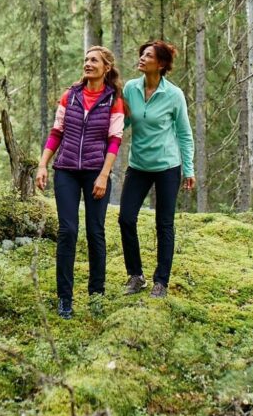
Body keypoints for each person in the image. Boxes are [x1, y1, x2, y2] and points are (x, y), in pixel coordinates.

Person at [36, 46, 126, 319]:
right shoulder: (70, 96)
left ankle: (96, 295)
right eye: (86, 59)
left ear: (106, 67)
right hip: (66, 170)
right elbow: (56, 132)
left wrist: (103, 174)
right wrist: (43, 164)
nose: (88, 64)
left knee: (95, 232)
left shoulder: (114, 100)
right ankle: (65, 298)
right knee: (67, 231)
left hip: (96, 172)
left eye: (94, 60)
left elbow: (115, 140)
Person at [118, 40, 195, 299]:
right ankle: (136, 275)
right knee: (126, 218)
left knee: (164, 224)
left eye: (147, 55)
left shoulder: (174, 95)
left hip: (167, 167)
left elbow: (184, 133)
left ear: (160, 64)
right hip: (138, 165)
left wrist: (189, 169)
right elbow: (125, 122)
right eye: (141, 54)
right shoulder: (130, 88)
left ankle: (161, 281)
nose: (141, 58)